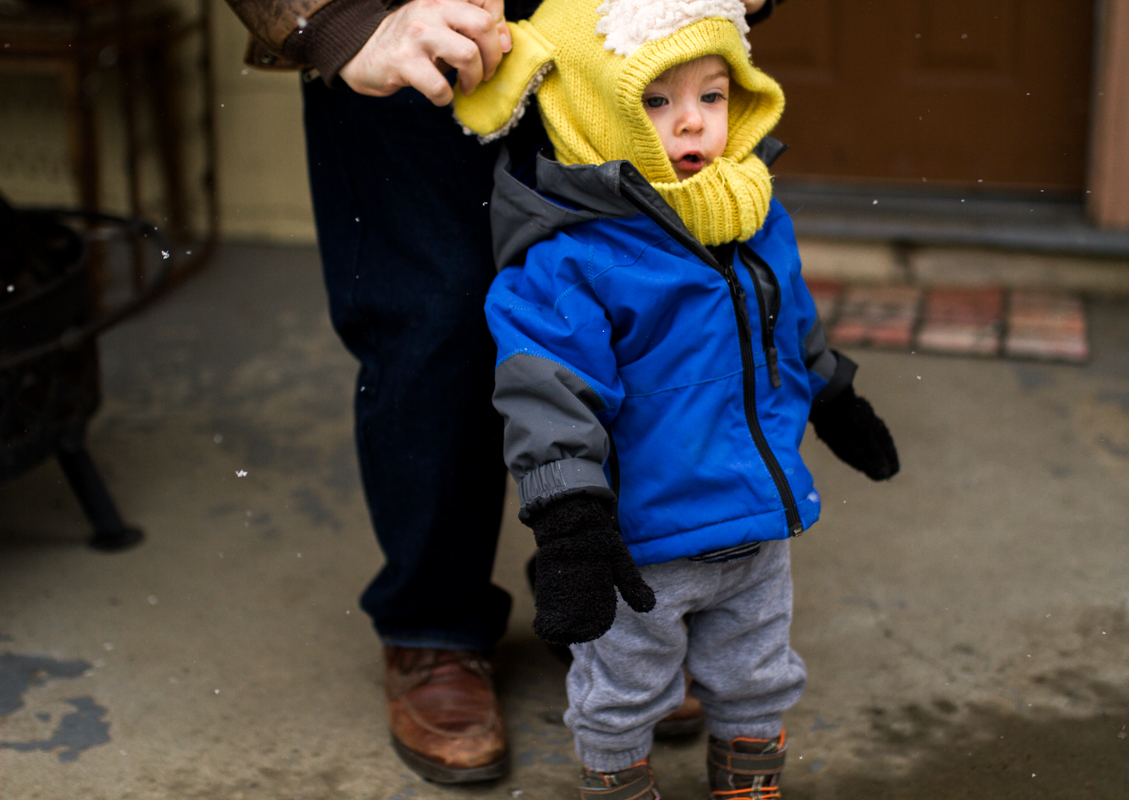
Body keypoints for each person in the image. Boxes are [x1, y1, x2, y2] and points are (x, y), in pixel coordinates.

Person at [220, 0, 779, 785]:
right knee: (432, 320)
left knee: (642, 311)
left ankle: (611, 606)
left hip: (624, 38)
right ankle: (434, 624)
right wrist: (342, 19)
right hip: (416, 35)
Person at [455, 0, 899, 794]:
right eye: (655, 101)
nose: (692, 124)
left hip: (758, 528)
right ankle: (620, 783)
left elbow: (786, 325)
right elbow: (548, 401)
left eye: (713, 95)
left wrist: (836, 397)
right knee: (623, 690)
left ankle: (749, 783)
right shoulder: (571, 264)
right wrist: (570, 525)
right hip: (640, 546)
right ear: (595, 111)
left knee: (758, 674)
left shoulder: (753, 213)